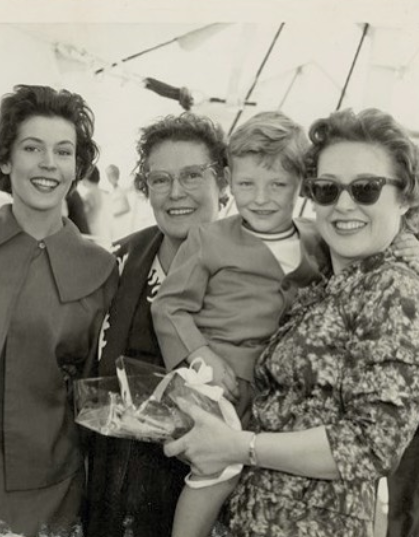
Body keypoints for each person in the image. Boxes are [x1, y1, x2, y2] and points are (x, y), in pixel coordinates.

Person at [164, 108, 419, 537]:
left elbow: (372, 444)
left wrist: (239, 446)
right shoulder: (330, 278)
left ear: (405, 197)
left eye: (366, 189)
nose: (343, 204)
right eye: (326, 189)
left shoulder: (394, 290)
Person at [0, 85, 118, 537]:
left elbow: (96, 387)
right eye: (32, 148)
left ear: (77, 167)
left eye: (64, 151)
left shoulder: (101, 268)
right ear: (5, 160)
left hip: (56, 482)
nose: (48, 163)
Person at [151, 110, 329, 537]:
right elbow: (168, 306)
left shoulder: (316, 241)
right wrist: (201, 354)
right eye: (247, 184)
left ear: (301, 185)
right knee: (220, 469)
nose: (261, 198)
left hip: (272, 392)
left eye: (277, 185)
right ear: (229, 181)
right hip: (214, 382)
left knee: (265, 479)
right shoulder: (209, 239)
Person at [85, 112, 228, 537]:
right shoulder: (121, 260)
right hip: (113, 484)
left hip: (206, 493)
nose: (175, 192)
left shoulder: (255, 273)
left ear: (223, 185)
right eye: (160, 179)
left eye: (192, 176)